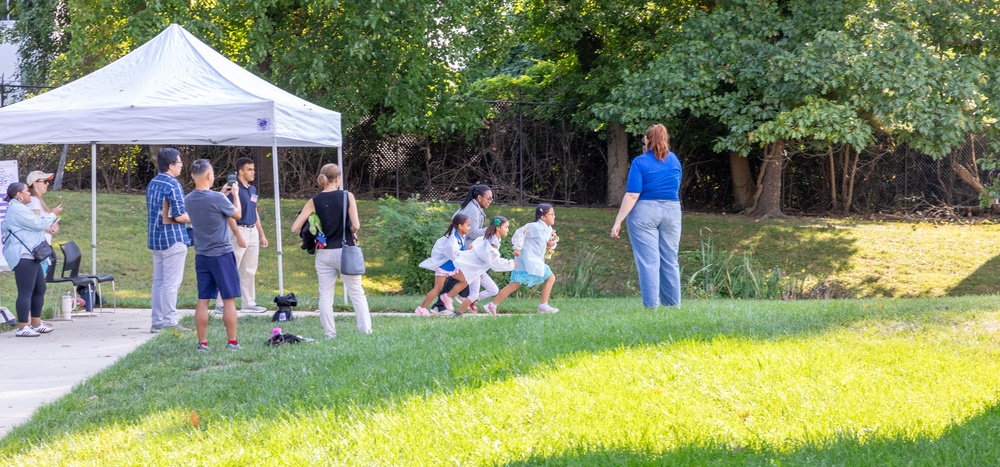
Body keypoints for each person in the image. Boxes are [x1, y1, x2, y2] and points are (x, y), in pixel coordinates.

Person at [290, 163, 372, 338]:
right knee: (356, 292)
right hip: (345, 251)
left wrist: (315, 232)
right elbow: (356, 225)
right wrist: (351, 231)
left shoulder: (314, 201)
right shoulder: (347, 196)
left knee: (325, 295)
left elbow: (295, 228)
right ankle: (365, 331)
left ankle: (330, 334)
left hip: (324, 253)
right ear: (338, 178)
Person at [610, 124, 683, 308]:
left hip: (645, 211)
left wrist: (618, 220)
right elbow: (676, 185)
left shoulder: (640, 162)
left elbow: (633, 194)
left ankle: (651, 306)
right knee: (670, 258)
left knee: (649, 261)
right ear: (665, 139)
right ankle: (673, 305)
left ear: (646, 139)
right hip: (672, 211)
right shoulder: (674, 160)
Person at [185, 159, 243, 351]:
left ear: (193, 176)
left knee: (203, 298)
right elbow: (237, 215)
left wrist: (221, 195)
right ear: (210, 175)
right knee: (228, 299)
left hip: (202, 255)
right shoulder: (218, 199)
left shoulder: (189, 199)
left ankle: (202, 342)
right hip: (222, 254)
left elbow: (206, 205)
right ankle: (232, 341)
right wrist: (234, 194)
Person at [215, 157, 270, 313]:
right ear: (241, 171)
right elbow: (230, 214)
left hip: (252, 231)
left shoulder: (252, 190)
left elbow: (254, 211)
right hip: (238, 231)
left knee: (250, 269)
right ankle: (220, 304)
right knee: (231, 267)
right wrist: (238, 235)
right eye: (250, 169)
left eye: (253, 169)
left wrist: (261, 234)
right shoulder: (233, 189)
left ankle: (249, 303)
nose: (253, 172)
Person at [146, 148, 192, 333]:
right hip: (174, 239)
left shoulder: (153, 183)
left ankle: (157, 322)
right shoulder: (173, 185)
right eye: (179, 162)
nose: (181, 166)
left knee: (159, 282)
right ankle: (170, 321)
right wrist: (196, 216)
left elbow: (162, 212)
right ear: (171, 165)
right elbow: (179, 215)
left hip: (156, 239)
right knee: (171, 283)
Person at [2, 182, 57, 336]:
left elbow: (35, 228)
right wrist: (53, 213)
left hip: (31, 254)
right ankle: (22, 327)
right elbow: (37, 224)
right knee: (25, 292)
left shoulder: (22, 209)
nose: (29, 194)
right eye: (26, 191)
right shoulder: (16, 209)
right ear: (18, 195)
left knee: (40, 288)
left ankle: (36, 323)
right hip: (23, 255)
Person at [485, 204, 560, 314]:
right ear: (543, 217)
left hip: (533, 259)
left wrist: (551, 244)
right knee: (551, 277)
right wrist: (517, 248)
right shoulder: (534, 226)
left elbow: (548, 241)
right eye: (552, 214)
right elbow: (520, 233)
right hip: (526, 259)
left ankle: (492, 305)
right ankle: (543, 305)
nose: (554, 216)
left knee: (514, 284)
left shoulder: (548, 229)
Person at [431, 184, 493, 314]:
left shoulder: (474, 207)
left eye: (491, 199)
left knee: (466, 274)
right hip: (462, 247)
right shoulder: (473, 209)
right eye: (488, 198)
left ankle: (459, 296)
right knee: (458, 276)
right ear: (479, 197)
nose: (490, 201)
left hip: (466, 246)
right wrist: (490, 230)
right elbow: (473, 233)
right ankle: (441, 306)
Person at [448, 215, 516, 316]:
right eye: (506, 227)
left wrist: (473, 246)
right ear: (498, 228)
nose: (508, 229)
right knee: (473, 295)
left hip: (480, 270)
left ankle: (471, 303)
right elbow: (494, 262)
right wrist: (511, 264)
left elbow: (479, 243)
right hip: (475, 269)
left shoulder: (492, 238)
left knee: (493, 290)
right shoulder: (493, 242)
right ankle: (458, 314)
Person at [414, 214, 470, 316]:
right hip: (444, 267)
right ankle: (421, 309)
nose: (469, 228)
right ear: (460, 226)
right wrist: (466, 252)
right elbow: (452, 252)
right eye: (468, 225)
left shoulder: (462, 237)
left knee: (465, 280)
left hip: (452, 267)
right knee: (437, 288)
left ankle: (448, 297)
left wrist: (466, 251)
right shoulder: (453, 238)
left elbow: (458, 253)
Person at [25, 170, 62, 275]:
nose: (47, 184)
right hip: (38, 248)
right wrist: (49, 227)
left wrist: (52, 226)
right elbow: (36, 223)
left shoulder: (38, 199)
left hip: (43, 246)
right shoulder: (33, 200)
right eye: (44, 181)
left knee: (40, 285)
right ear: (35, 183)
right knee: (37, 285)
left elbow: (42, 222)